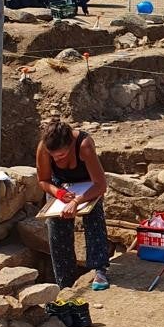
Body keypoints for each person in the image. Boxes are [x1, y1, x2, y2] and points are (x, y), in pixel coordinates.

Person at [35, 120, 111, 290]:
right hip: (60, 187)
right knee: (56, 225)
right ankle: (65, 283)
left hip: (87, 184)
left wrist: (77, 201)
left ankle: (99, 269)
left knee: (94, 216)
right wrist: (59, 194)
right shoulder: (44, 148)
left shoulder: (84, 145)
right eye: (53, 156)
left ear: (70, 146)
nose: (56, 159)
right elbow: (43, 180)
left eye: (61, 155)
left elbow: (100, 185)